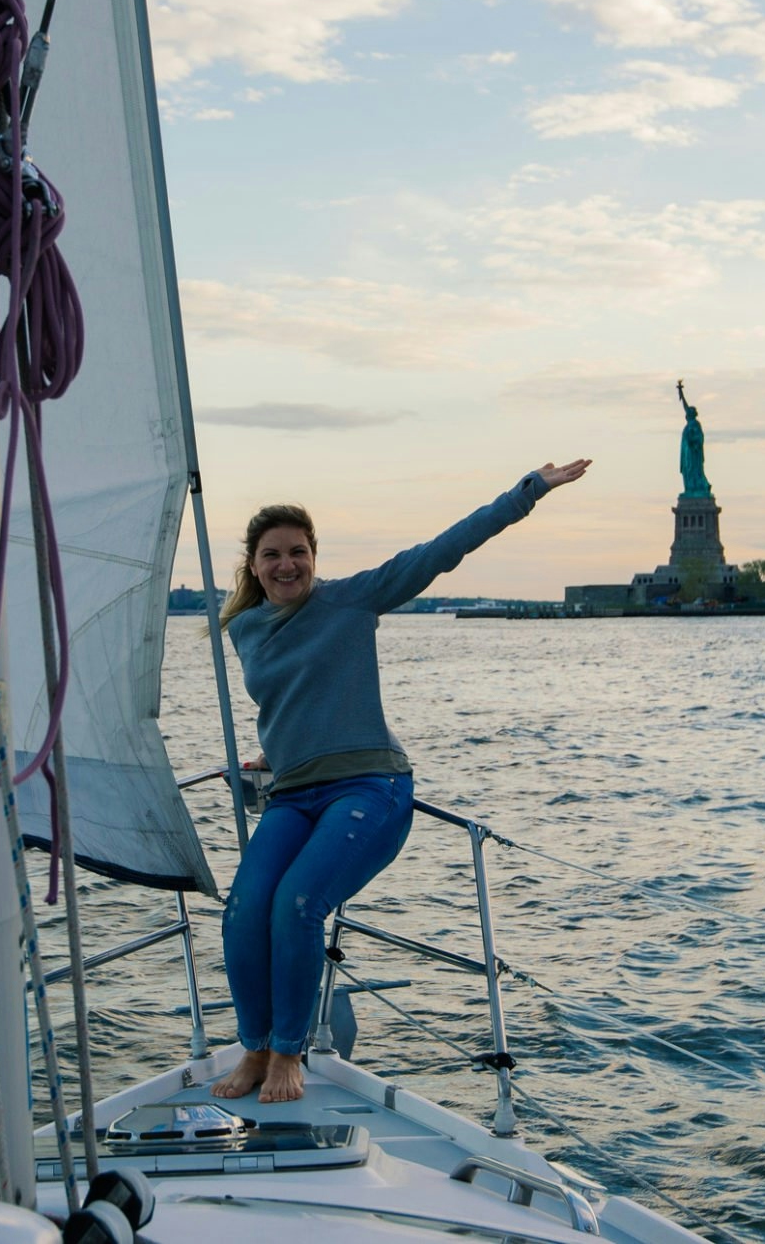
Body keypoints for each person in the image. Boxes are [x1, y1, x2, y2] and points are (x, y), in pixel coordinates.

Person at [209, 459, 592, 1102]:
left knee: (298, 904)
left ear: (314, 556)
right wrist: (273, 754)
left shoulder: (351, 598)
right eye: (272, 555)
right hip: (293, 791)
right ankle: (253, 1047)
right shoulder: (243, 629)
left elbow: (441, 551)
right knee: (245, 909)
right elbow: (291, 703)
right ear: (253, 565)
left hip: (369, 788)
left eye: (298, 553)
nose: (286, 566)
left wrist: (528, 491)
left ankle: (286, 1055)